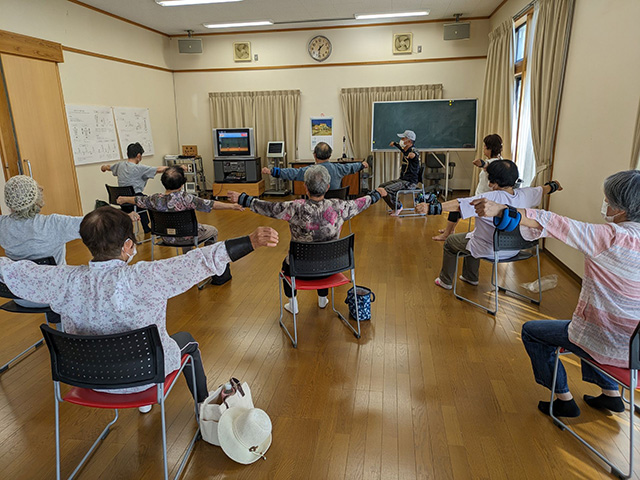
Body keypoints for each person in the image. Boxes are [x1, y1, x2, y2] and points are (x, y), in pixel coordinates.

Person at [0, 206, 279, 411]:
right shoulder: (143, 277)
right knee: (188, 344)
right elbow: (200, 261)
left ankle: (145, 405)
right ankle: (203, 407)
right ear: (128, 245)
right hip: (145, 373)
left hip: (87, 377)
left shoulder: (62, 281)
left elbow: (14, 272)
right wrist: (250, 242)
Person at [472, 170, 640, 418]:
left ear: (621, 208)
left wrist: (501, 210)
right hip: (635, 347)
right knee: (587, 325)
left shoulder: (611, 237)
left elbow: (557, 224)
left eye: (608, 200)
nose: (605, 205)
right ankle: (611, 394)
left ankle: (563, 399)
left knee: (535, 332)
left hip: (608, 341)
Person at [228, 165, 387, 314]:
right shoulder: (339, 206)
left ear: (305, 187)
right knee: (322, 258)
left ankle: (293, 304)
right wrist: (377, 193)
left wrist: (243, 198)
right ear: (327, 187)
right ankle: (323, 299)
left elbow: (268, 208)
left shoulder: (295, 207)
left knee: (285, 266)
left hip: (300, 269)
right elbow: (362, 202)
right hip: (331, 267)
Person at [416, 160, 562, 290]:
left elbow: (459, 204)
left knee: (450, 242)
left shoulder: (488, 198)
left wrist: (431, 208)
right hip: (516, 248)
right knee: (470, 237)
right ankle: (469, 277)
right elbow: (544, 189)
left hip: (491, 248)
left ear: (494, 182)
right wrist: (555, 185)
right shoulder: (527, 194)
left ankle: (445, 281)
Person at [0, 175, 137, 308]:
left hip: (19, 294)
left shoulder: (2, 225)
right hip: (54, 294)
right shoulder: (53, 224)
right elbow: (96, 225)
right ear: (36, 198)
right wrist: (125, 216)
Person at [117, 166, 243, 284]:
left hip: (166, 238)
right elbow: (211, 204)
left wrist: (124, 199)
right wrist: (232, 206)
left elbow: (137, 200)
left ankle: (187, 263)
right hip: (187, 237)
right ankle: (208, 265)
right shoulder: (187, 198)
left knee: (185, 231)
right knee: (213, 230)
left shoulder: (154, 199)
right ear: (182, 184)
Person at [433, 133, 503, 241]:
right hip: (482, 198)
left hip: (482, 201)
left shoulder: (494, 164)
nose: (483, 148)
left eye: (485, 146)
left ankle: (447, 234)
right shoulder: (500, 160)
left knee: (456, 207)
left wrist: (482, 163)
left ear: (490, 148)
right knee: (459, 206)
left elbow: (488, 166)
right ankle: (449, 229)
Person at [101, 142, 170, 233]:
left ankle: (142, 227)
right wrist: (177, 167)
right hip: (134, 200)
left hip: (120, 200)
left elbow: (109, 167)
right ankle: (150, 227)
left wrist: (104, 167)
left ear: (127, 154)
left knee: (141, 199)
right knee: (148, 201)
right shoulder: (139, 168)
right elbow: (159, 169)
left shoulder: (119, 165)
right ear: (138, 156)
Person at [261, 142, 368, 192]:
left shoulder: (309, 171)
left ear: (315, 155)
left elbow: (291, 173)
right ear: (330, 155)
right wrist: (362, 165)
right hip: (335, 209)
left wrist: (272, 171)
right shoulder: (338, 168)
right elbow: (351, 167)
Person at [379, 129, 421, 216]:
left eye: (403, 138)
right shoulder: (406, 150)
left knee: (387, 189)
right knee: (381, 187)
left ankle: (398, 207)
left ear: (409, 141)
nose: (401, 140)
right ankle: (394, 207)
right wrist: (395, 144)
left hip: (410, 182)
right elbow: (401, 149)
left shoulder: (412, 151)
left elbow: (415, 154)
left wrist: (414, 156)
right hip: (402, 179)